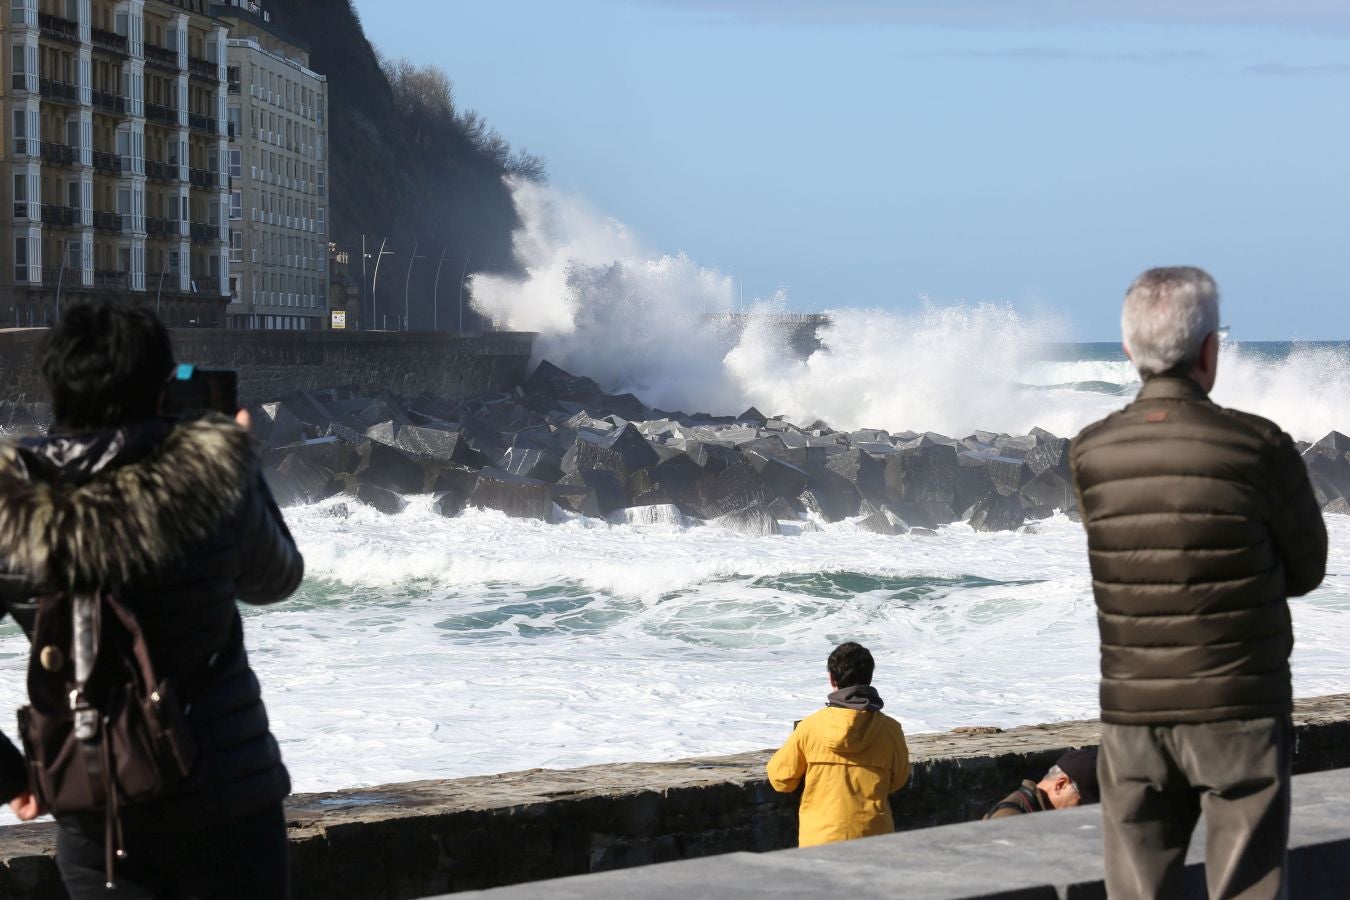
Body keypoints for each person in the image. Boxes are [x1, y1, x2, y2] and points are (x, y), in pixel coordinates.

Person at [0, 303, 304, 898]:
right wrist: (238, 461)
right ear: (163, 388)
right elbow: (277, 580)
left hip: (98, 808)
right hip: (231, 798)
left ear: (59, 388)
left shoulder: (15, 509)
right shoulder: (209, 478)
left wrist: (11, 774)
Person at [1070, 267, 1326, 900]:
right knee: (1249, 888)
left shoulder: (1091, 452)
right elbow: (1308, 569)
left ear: (1129, 351)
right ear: (1212, 350)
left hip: (1132, 716)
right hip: (1239, 709)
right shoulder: (1257, 446)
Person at [766, 641, 910, 847]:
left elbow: (781, 779)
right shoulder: (890, 730)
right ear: (869, 678)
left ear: (832, 679)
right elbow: (899, 780)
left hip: (820, 841)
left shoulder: (810, 727)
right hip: (875, 839)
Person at [984, 747, 1099, 819]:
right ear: (1061, 785)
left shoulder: (1039, 814)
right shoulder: (1010, 817)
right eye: (1080, 803)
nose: (1081, 813)